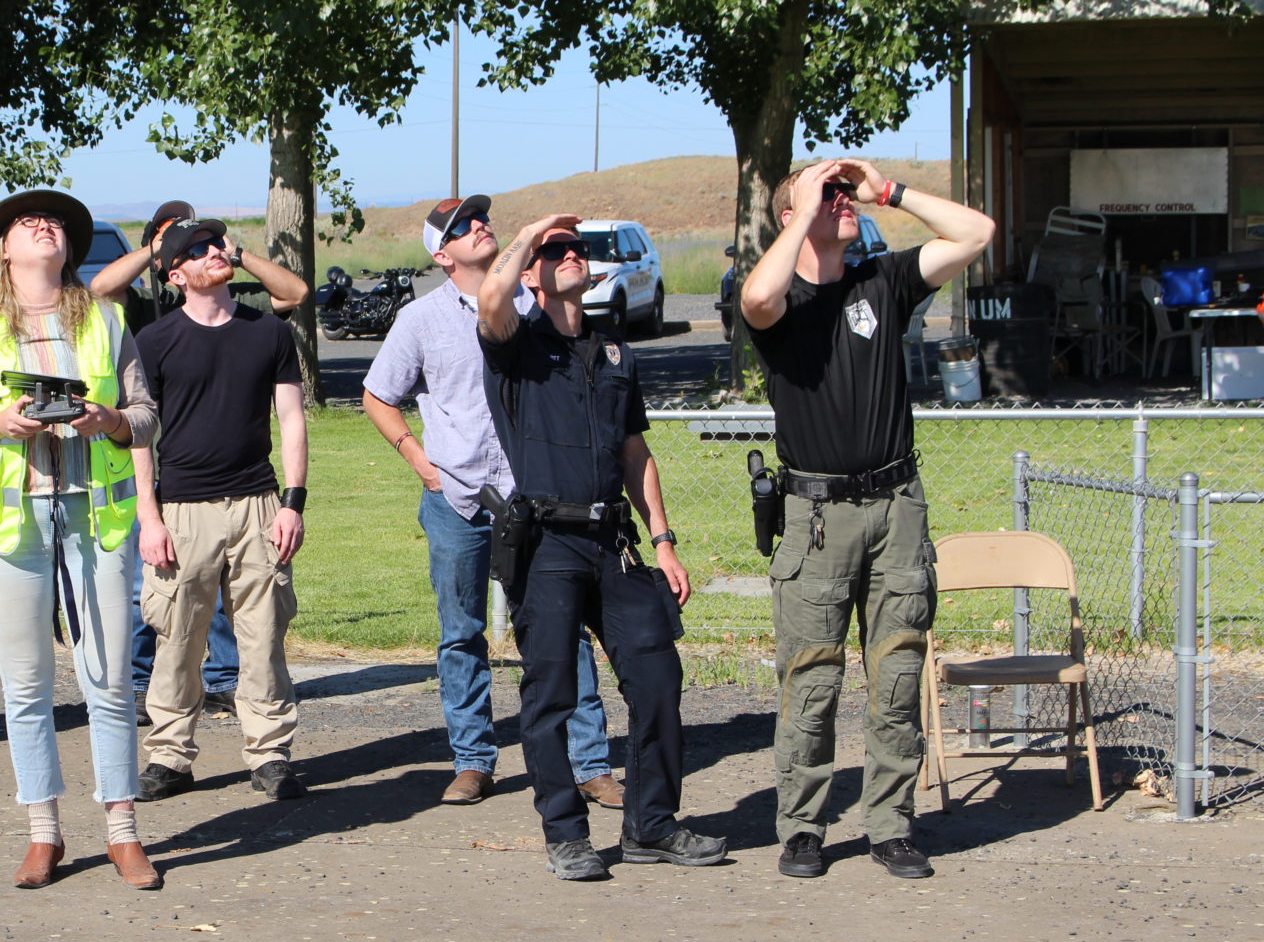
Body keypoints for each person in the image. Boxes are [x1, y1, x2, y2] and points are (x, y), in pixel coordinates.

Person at [739, 159, 994, 881]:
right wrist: (804, 208)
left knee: (898, 674)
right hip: (817, 515)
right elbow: (757, 294)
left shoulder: (883, 280)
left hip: (895, 507)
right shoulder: (779, 299)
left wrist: (890, 192)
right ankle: (803, 829)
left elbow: (977, 232)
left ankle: (891, 826)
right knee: (811, 679)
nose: (841, 201)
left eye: (845, 194)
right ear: (790, 215)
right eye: (827, 195)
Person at [477, 214, 721, 881]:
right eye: (556, 250)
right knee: (551, 693)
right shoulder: (514, 343)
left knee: (658, 678)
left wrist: (663, 540)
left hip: (613, 541)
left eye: (577, 248)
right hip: (548, 543)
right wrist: (533, 230)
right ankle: (566, 834)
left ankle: (652, 826)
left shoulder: (615, 352)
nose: (571, 254)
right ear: (531, 272)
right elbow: (492, 296)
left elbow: (635, 452)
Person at [0, 190, 162, 890]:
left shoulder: (107, 320)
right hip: (6, 531)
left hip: (96, 522)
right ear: (3, 251)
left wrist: (107, 420)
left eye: (55, 221)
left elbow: (146, 417)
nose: (45, 226)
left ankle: (123, 831)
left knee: (109, 678)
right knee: (27, 684)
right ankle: (43, 833)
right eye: (27, 222)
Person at [362, 194, 624, 809]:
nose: (480, 226)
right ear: (442, 254)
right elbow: (378, 395)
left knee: (563, 629)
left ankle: (589, 763)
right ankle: (473, 760)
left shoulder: (537, 306)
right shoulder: (420, 319)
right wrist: (420, 461)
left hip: (536, 499)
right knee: (462, 634)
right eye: (462, 226)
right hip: (457, 499)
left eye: (482, 219)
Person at [133, 217, 309, 803]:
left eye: (216, 244)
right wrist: (150, 518)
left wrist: (292, 502)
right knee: (178, 638)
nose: (214, 252)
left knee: (263, 638)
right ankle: (169, 756)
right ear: (175, 275)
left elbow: (291, 420)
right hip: (183, 511)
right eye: (197, 250)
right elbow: (140, 438)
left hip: (259, 505)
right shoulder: (154, 341)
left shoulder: (268, 332)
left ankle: (270, 755)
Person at [88, 201, 276, 722]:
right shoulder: (142, 312)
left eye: (205, 239)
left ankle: (222, 679)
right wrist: (158, 250)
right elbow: (100, 288)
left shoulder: (227, 301)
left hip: (221, 476)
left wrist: (234, 254)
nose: (203, 248)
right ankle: (141, 683)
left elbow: (294, 294)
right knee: (150, 586)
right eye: (183, 241)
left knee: (218, 590)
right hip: (148, 457)